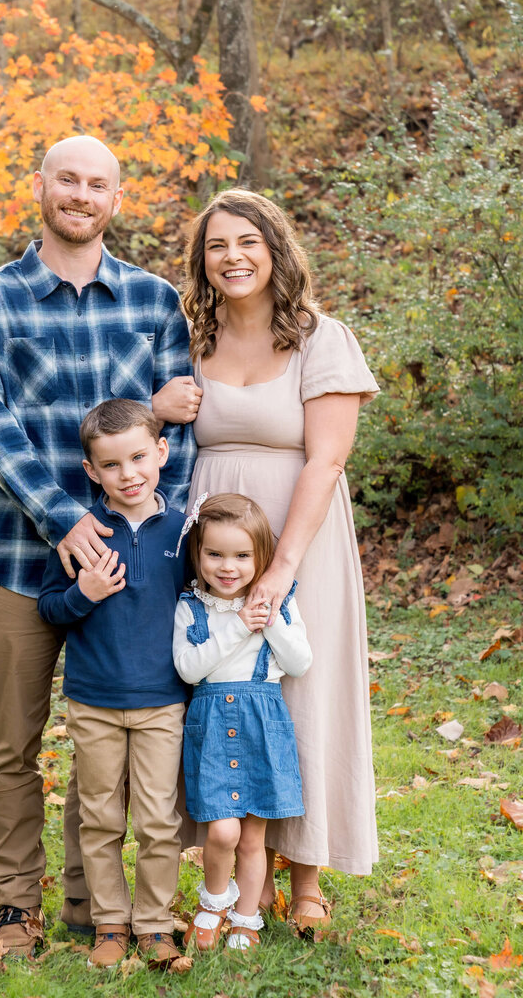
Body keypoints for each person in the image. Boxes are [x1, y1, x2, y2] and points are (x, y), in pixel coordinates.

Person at [0, 136, 198, 958]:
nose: (81, 195)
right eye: (68, 180)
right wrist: (65, 518)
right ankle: (17, 912)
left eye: (98, 184)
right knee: (13, 742)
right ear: (41, 187)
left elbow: (179, 438)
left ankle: (95, 907)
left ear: (116, 199)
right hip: (20, 560)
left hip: (128, 569)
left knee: (108, 731)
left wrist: (160, 537)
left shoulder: (155, 301)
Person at [171, 188, 379, 935]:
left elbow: (326, 461)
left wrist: (283, 566)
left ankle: (309, 875)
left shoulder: (321, 338)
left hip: (302, 535)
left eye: (247, 243)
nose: (232, 257)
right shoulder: (190, 338)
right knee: (218, 686)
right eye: (217, 245)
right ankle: (222, 867)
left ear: (276, 251)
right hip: (211, 541)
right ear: (202, 260)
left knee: (301, 690)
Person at [38, 399, 189, 969]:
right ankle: (109, 924)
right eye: (112, 465)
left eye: (138, 458)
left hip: (161, 701)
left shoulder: (182, 530)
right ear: (91, 471)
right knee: (99, 817)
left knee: (157, 819)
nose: (128, 475)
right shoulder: (81, 534)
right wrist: (86, 594)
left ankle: (153, 924)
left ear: (161, 453)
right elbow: (51, 608)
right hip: (94, 701)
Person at [173, 493, 312, 954]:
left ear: (261, 558)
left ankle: (246, 917)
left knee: (253, 836)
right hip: (212, 727)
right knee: (222, 830)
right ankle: (213, 902)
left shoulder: (280, 602)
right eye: (215, 554)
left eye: (241, 555)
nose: (227, 566)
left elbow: (299, 662)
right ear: (198, 554)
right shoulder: (192, 608)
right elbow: (190, 669)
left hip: (261, 725)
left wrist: (268, 617)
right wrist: (237, 626)